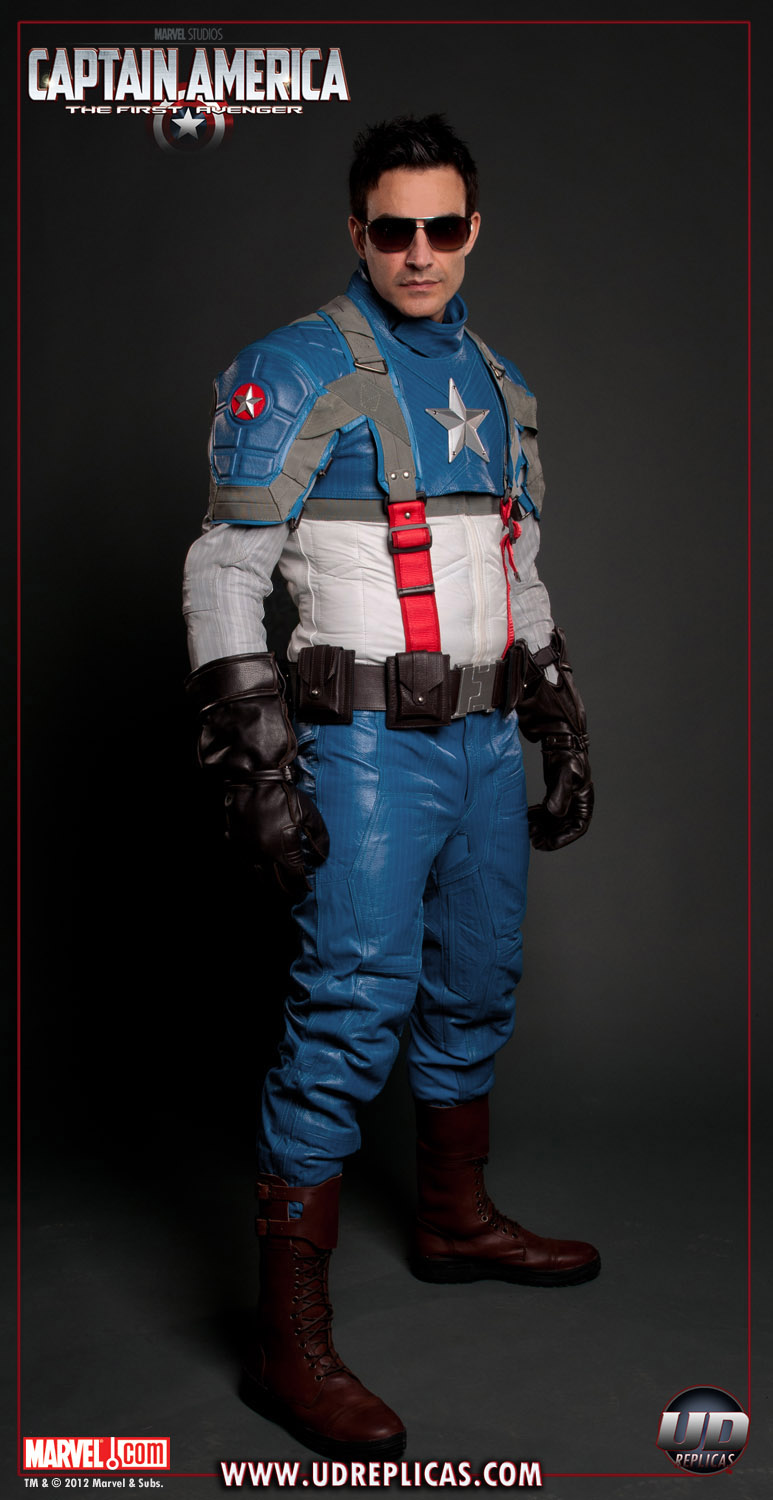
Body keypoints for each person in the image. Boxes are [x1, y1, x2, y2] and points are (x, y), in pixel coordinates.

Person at [183, 114, 598, 1461]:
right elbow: (225, 567)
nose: (419, 252)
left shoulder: (500, 382)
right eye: (393, 229)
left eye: (443, 226)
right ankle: (282, 1340)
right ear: (356, 232)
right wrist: (254, 748)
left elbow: (516, 563)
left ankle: (452, 1221)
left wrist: (557, 710)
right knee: (352, 1005)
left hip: (481, 738)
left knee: (476, 981)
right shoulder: (294, 368)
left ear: (474, 230)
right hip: (363, 746)